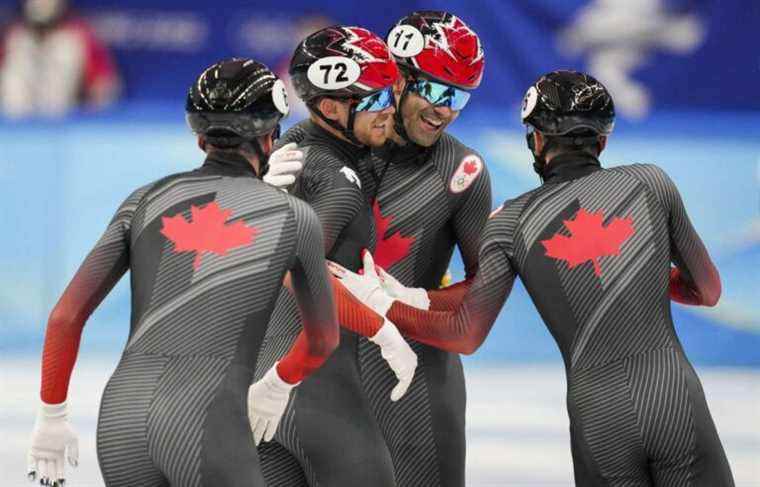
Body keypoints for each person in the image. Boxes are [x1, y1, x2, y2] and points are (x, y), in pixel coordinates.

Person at [332, 70, 736, 486]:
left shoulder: (510, 222)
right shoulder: (651, 183)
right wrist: (637, 268)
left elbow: (465, 333)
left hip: (598, 415)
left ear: (537, 140)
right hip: (673, 397)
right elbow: (707, 291)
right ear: (602, 141)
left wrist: (388, 304)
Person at [26, 58, 340, 487]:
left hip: (122, 421)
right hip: (207, 419)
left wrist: (52, 416)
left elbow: (65, 316)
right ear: (272, 137)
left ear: (198, 138)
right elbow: (323, 339)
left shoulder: (145, 199)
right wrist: (278, 384)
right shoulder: (294, 216)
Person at [273, 12, 490, 486]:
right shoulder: (308, 147)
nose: (446, 111)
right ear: (396, 79)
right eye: (435, 91)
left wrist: (407, 302)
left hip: (414, 377)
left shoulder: (462, 170)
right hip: (322, 370)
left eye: (459, 98)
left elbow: (479, 305)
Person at [255, 26, 418, 487]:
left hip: (259, 384)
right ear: (330, 107)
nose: (390, 111)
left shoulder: (286, 151)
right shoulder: (338, 181)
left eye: (391, 93)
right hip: (313, 385)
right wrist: (382, 329)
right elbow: (297, 270)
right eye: (373, 100)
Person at [0, 0, 120, 117]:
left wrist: (93, 114)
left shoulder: (79, 36)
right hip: (13, 126)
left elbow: (104, 85)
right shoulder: (13, 35)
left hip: (63, 124)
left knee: (65, 48)